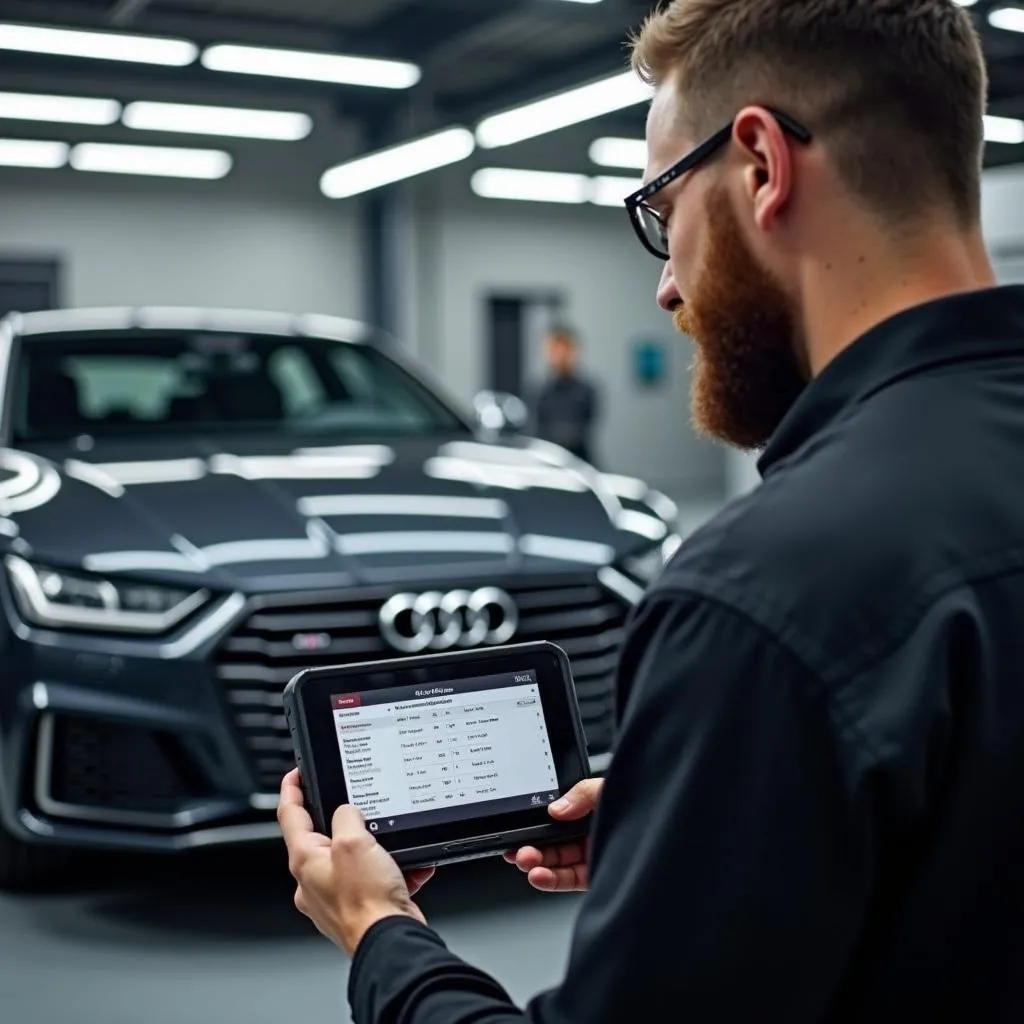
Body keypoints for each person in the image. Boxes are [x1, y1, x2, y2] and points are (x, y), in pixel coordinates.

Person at [278, 0, 1024, 1019]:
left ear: (760, 164)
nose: (667, 286)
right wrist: (709, 829)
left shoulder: (765, 593)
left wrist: (381, 936)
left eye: (661, 214)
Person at [530, 326, 600, 463]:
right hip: (547, 462)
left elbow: (579, 432)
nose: (559, 356)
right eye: (554, 350)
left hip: (579, 462)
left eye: (563, 349)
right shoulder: (540, 392)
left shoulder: (586, 391)